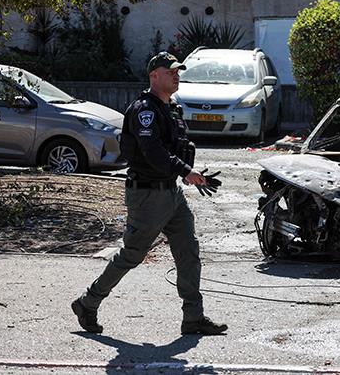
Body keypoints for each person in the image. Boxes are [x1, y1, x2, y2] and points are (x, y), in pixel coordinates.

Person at [71, 52, 227, 336]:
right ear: (154, 76)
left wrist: (191, 174)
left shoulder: (171, 109)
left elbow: (178, 148)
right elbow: (153, 152)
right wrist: (185, 171)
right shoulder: (144, 111)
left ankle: (193, 318)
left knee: (188, 251)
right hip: (147, 196)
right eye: (171, 72)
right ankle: (88, 302)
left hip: (172, 193)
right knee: (132, 255)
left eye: (178, 72)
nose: (176, 76)